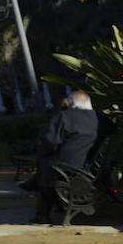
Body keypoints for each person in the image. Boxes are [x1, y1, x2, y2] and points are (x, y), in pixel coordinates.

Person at [33, 90, 99, 224]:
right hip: (89, 165)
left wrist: (41, 153)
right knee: (47, 164)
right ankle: (37, 189)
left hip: (65, 167)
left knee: (45, 163)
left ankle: (42, 214)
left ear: (71, 103)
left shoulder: (65, 117)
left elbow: (49, 142)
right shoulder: (99, 118)